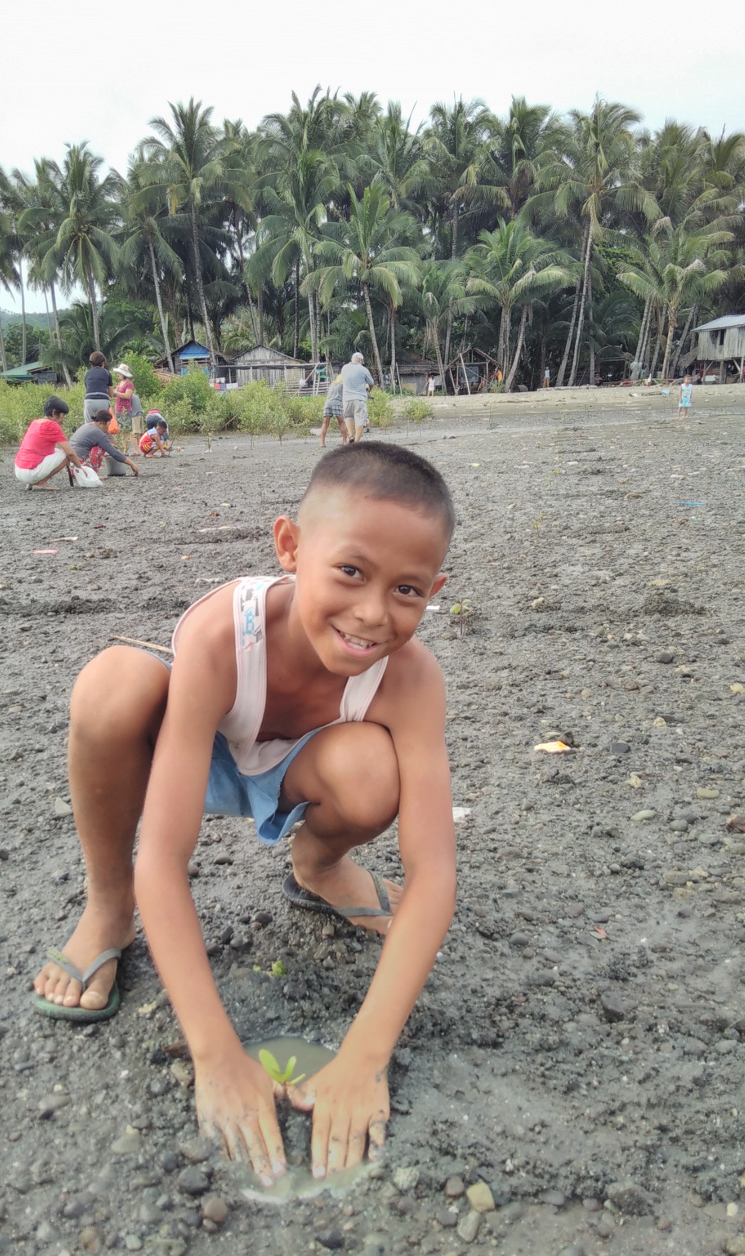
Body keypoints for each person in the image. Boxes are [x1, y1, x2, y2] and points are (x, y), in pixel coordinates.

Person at [33, 443, 457, 1183]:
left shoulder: (412, 680)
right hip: (196, 754)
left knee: (373, 772)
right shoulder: (226, 633)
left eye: (406, 590)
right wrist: (217, 1055)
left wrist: (365, 1057)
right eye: (350, 571)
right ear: (290, 546)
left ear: (435, 589)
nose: (372, 612)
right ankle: (106, 909)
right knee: (109, 687)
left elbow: (433, 874)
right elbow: (164, 857)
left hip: (303, 770)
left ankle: (318, 867)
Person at [13, 396, 85, 490]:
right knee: (66, 455)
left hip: (19, 470)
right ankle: (40, 483)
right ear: (54, 413)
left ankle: (31, 483)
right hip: (30, 472)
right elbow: (70, 453)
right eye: (62, 416)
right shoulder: (51, 425)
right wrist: (80, 467)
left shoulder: (35, 422)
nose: (63, 420)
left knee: (57, 451)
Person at [70, 410, 140, 477]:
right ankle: (90, 474)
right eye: (108, 424)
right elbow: (114, 453)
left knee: (103, 445)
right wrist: (132, 464)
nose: (108, 428)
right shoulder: (97, 432)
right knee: (100, 448)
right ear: (102, 423)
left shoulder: (88, 426)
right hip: (79, 467)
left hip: (71, 465)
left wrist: (109, 445)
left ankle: (88, 473)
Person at [340, 351, 375, 444]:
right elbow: (371, 383)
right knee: (360, 419)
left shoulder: (344, 368)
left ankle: (351, 435)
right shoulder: (363, 369)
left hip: (347, 398)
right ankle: (357, 441)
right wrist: (369, 389)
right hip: (359, 398)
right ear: (360, 360)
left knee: (348, 417)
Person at [112, 363, 142, 438]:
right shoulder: (120, 383)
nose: (118, 374)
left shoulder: (129, 384)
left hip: (125, 410)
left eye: (120, 373)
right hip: (118, 410)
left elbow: (127, 396)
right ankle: (124, 445)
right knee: (121, 431)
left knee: (128, 430)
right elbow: (115, 394)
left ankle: (132, 445)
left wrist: (116, 392)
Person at [84, 351, 113, 423]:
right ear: (103, 362)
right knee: (103, 424)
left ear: (91, 363)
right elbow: (111, 394)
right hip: (103, 400)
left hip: (89, 400)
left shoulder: (87, 373)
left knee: (89, 425)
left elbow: (87, 388)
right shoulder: (107, 373)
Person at [320, 374, 348, 448]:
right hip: (337, 403)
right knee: (342, 422)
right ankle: (345, 441)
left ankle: (322, 443)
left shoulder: (332, 385)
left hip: (327, 404)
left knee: (325, 423)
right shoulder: (342, 384)